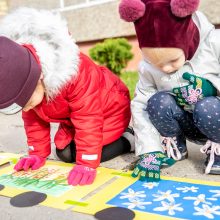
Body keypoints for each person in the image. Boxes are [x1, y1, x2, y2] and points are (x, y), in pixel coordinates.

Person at [0, 8, 134, 186]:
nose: (25, 109)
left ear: (38, 77)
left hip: (111, 109)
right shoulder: (29, 85)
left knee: (76, 154)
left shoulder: (75, 74)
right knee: (64, 153)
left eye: (27, 102)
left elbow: (88, 119)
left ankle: (128, 140)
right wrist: (36, 154)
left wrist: (87, 163)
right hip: (74, 116)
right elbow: (33, 119)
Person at [119, 0, 220, 182]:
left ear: (188, 39)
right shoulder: (147, 67)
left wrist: (212, 87)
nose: (165, 69)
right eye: (157, 64)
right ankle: (175, 146)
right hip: (186, 123)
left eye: (173, 61)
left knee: (207, 106)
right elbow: (141, 106)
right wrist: (149, 151)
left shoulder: (214, 44)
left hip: (214, 117)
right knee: (158, 101)